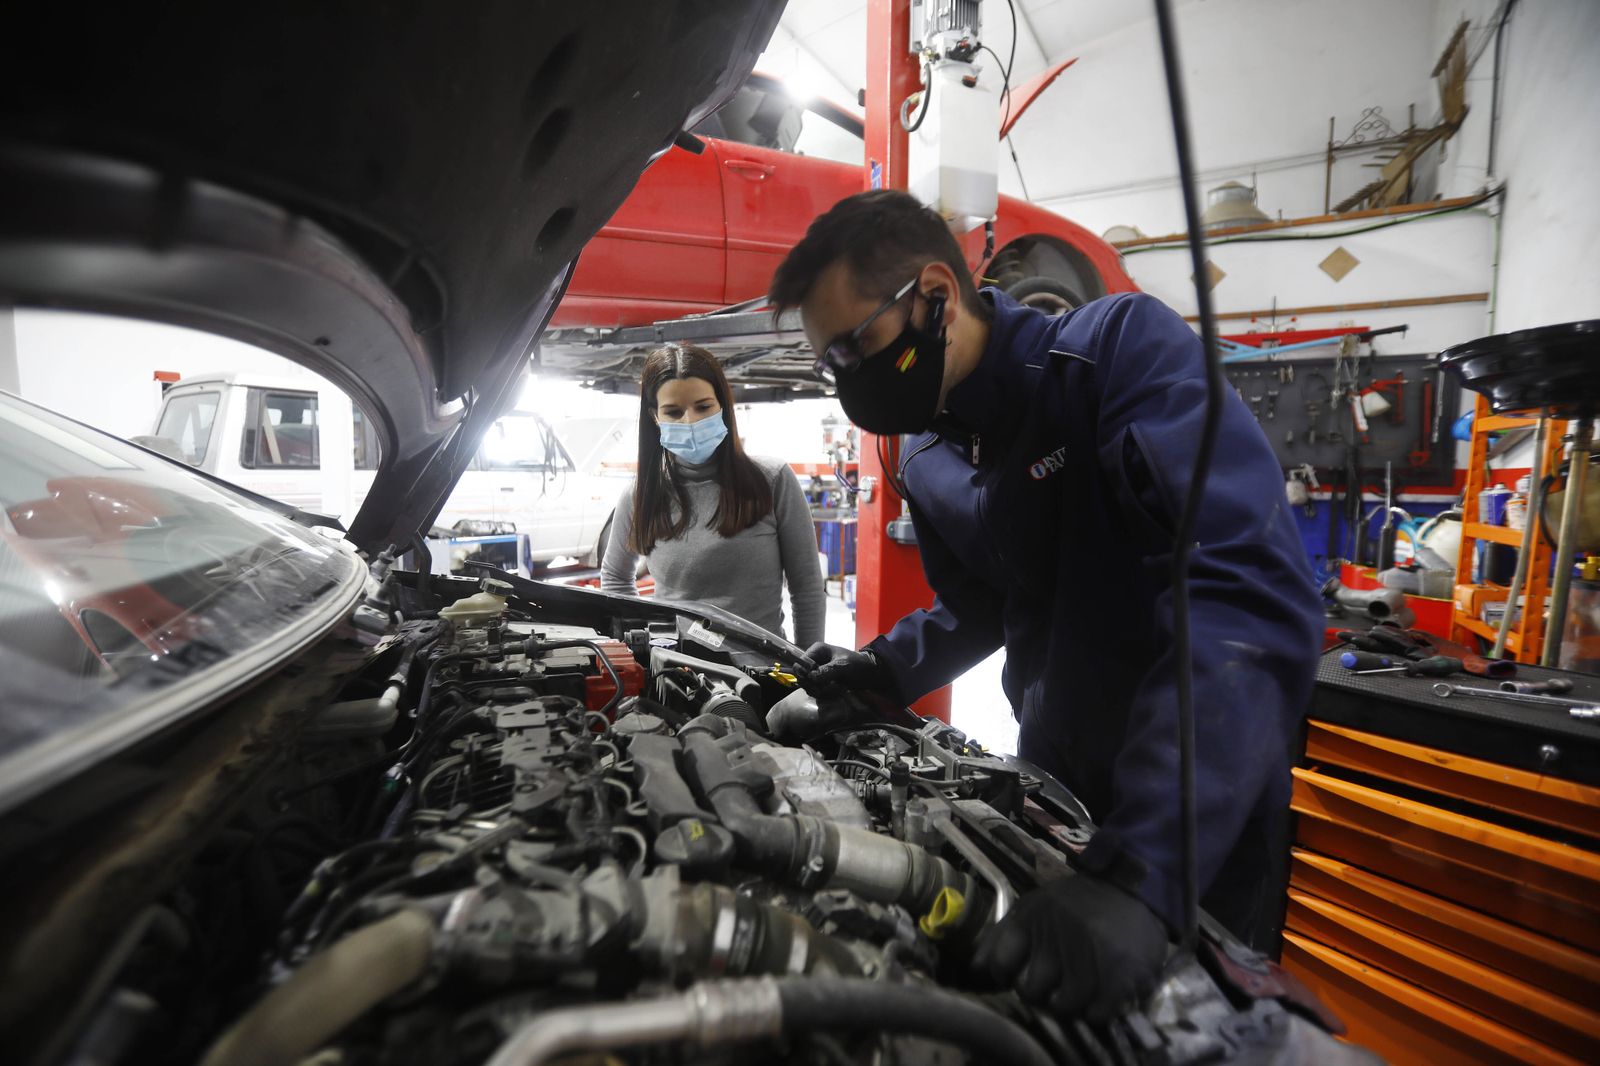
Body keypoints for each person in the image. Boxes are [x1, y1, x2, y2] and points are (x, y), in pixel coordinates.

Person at [770, 190, 1322, 1019]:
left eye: (855, 347)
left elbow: (1245, 591)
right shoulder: (923, 455)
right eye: (830, 363)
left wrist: (1147, 868)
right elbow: (980, 603)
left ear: (934, 296)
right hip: (1053, 785)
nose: (848, 378)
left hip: (1197, 805)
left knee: (1188, 1029)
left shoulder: (1113, 360)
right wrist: (879, 670)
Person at [601, 343, 825, 648]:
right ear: (655, 416)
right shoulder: (641, 494)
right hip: (677, 673)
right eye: (674, 412)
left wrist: (810, 667)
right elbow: (615, 577)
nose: (690, 421)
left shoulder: (773, 480)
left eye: (703, 407)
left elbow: (807, 588)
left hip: (765, 673)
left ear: (723, 405)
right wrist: (642, 646)